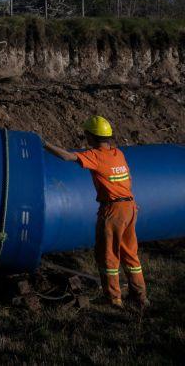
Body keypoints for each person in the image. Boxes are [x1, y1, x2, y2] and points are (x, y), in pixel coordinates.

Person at [44, 116, 147, 309]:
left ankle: (113, 299)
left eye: (86, 135)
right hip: (130, 206)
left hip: (114, 210)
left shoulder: (96, 155)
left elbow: (67, 156)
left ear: (91, 136)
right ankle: (140, 296)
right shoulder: (118, 154)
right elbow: (129, 177)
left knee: (108, 255)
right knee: (130, 254)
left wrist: (45, 144)